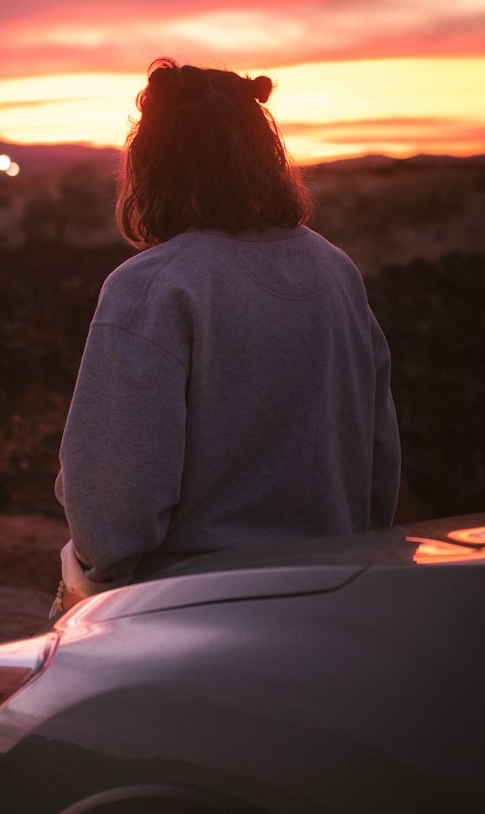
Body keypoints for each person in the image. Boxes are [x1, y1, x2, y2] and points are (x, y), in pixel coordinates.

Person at [52, 58, 400, 615]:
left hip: (188, 612)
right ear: (266, 155)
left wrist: (87, 578)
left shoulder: (154, 286)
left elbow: (114, 507)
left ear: (150, 163)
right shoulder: (335, 271)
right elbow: (379, 458)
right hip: (331, 600)